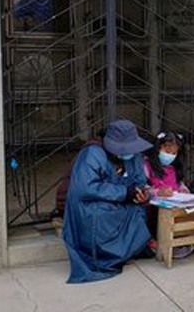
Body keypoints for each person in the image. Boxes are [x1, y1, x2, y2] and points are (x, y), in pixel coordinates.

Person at [62, 119, 155, 283]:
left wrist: (142, 193)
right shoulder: (92, 154)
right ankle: (104, 257)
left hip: (121, 200)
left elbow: (140, 181)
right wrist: (124, 193)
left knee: (140, 210)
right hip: (90, 203)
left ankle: (128, 251)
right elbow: (85, 188)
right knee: (102, 214)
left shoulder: (135, 155)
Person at [143, 131, 194, 259]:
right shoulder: (146, 165)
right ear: (158, 148)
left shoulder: (174, 167)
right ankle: (155, 240)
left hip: (175, 204)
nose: (170, 155)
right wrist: (157, 192)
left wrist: (183, 190)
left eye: (174, 153)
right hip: (154, 209)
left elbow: (180, 184)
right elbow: (141, 187)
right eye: (167, 150)